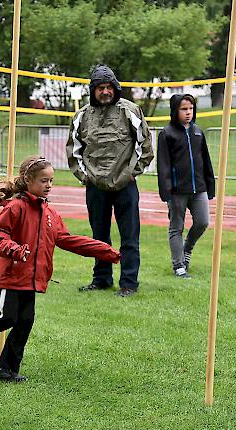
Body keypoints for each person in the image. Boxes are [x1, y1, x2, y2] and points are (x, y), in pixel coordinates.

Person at [0, 156, 120, 382]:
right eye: (43, 180)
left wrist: (105, 251)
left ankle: (4, 370)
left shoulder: (50, 214)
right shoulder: (15, 207)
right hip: (12, 275)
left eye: (51, 181)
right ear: (28, 180)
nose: (49, 185)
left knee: (25, 322)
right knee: (6, 318)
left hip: (33, 278)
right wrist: (14, 249)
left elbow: (68, 240)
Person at [65, 65, 154, 297]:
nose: (105, 92)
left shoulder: (130, 110)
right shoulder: (82, 115)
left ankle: (129, 283)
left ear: (115, 88)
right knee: (99, 236)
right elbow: (74, 149)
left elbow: (145, 146)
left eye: (109, 87)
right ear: (93, 90)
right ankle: (102, 278)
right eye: (100, 88)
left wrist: (133, 173)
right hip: (95, 187)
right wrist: (85, 177)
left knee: (129, 237)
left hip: (125, 185)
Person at [156, 94, 215, 278]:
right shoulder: (167, 134)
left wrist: (210, 185)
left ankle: (186, 249)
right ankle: (179, 266)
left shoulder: (198, 132)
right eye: (184, 109)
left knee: (203, 222)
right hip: (176, 191)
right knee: (176, 227)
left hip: (199, 188)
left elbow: (206, 160)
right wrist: (166, 190)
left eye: (190, 108)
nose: (188, 112)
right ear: (175, 111)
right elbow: (163, 164)